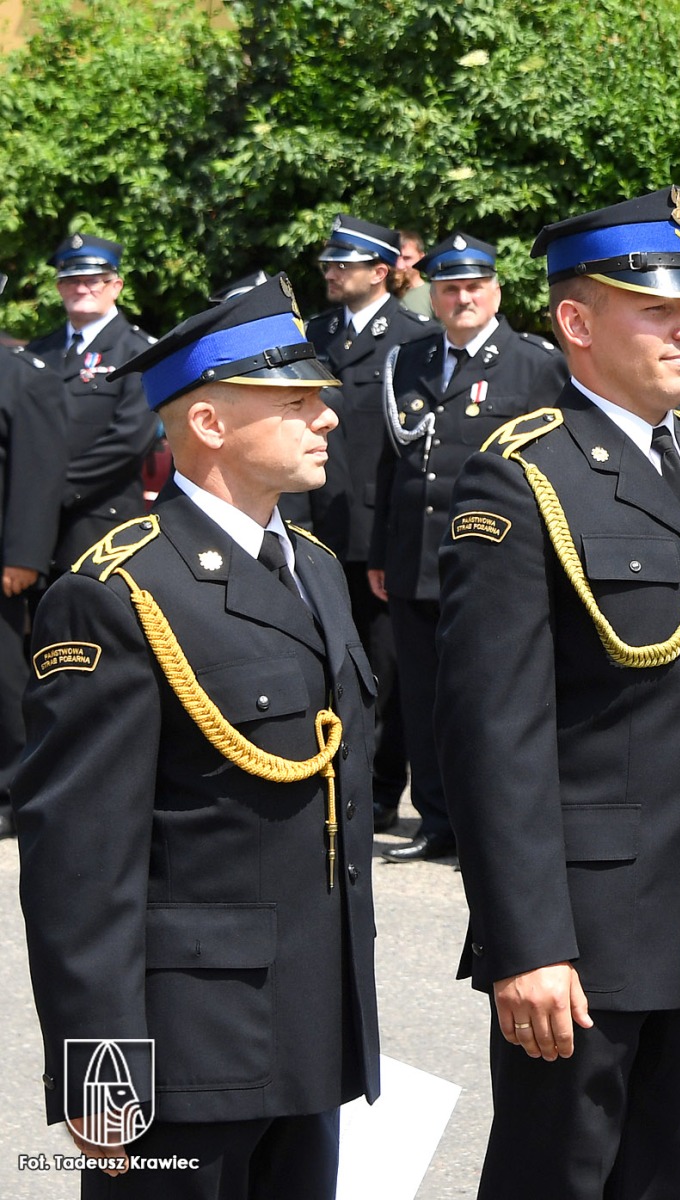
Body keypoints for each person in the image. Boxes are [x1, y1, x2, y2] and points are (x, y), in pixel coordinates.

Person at [435, 187, 680, 1200]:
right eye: (657, 310)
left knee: (672, 1177)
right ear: (577, 323)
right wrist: (526, 943)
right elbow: (494, 735)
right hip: (585, 931)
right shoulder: (520, 476)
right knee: (557, 1177)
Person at [14, 275, 381, 1198]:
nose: (325, 418)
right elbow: (80, 863)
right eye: (294, 402)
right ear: (210, 424)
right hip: (186, 1048)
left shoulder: (314, 569)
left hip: (309, 1027)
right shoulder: (116, 592)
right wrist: (101, 1076)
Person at [368, 232, 565, 857]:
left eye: (474, 287)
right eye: (450, 289)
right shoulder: (410, 360)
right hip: (414, 557)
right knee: (423, 698)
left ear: (496, 292)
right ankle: (437, 823)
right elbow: (391, 463)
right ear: (434, 297)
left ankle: (492, 829)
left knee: (489, 697)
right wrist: (381, 552)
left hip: (492, 561)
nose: (462, 299)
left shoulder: (534, 363)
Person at [305, 214, 432, 829]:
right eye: (329, 263)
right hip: (318, 524)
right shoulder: (316, 332)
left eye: (344, 264)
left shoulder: (414, 337)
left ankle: (381, 788)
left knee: (384, 668)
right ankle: (331, 776)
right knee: (323, 662)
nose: (331, 272)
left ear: (380, 271)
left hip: (380, 533)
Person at [24, 234, 157, 576]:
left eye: (93, 280)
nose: (81, 288)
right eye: (71, 280)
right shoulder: (38, 352)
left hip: (99, 524)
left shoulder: (138, 352)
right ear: (59, 288)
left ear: (116, 286)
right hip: (29, 526)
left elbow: (129, 440)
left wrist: (53, 489)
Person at [0, 282, 69, 842]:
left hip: (2, 564)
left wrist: (23, 555)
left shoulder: (25, 375)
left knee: (4, 685)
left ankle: (10, 793)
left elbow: (37, 473)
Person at [390, 228, 433, 316]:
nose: (399, 266)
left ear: (421, 259)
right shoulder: (378, 294)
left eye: (407, 258)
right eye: (395, 258)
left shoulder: (434, 295)